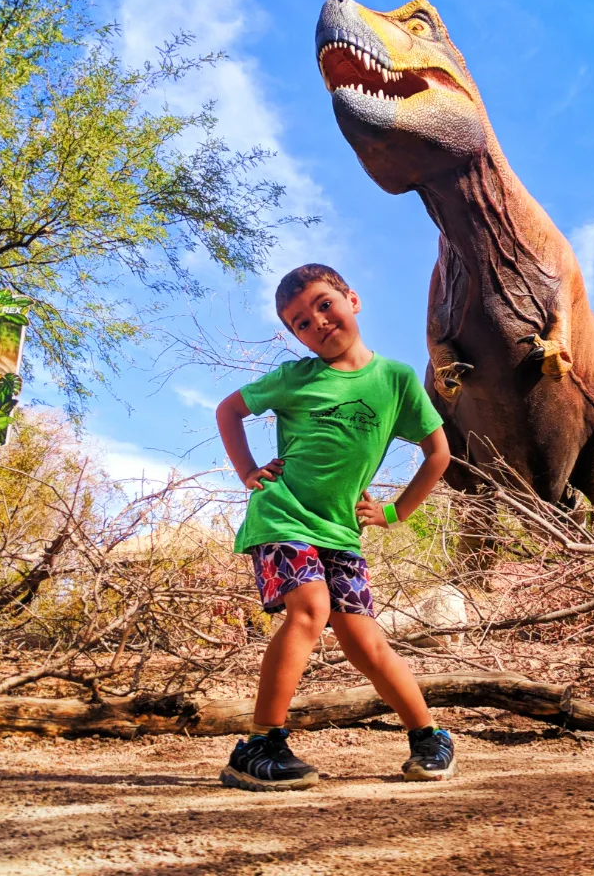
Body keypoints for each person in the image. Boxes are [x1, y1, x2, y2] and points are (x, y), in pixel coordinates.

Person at [215, 263, 455, 791]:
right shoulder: (295, 378)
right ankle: (261, 744)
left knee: (365, 641)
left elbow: (438, 453)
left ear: (352, 299)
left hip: (341, 532)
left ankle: (428, 736)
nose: (317, 322)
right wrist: (249, 472)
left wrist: (395, 512)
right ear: (293, 335)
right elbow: (228, 411)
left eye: (325, 304)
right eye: (300, 322)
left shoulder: (394, 379)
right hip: (283, 516)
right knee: (310, 608)